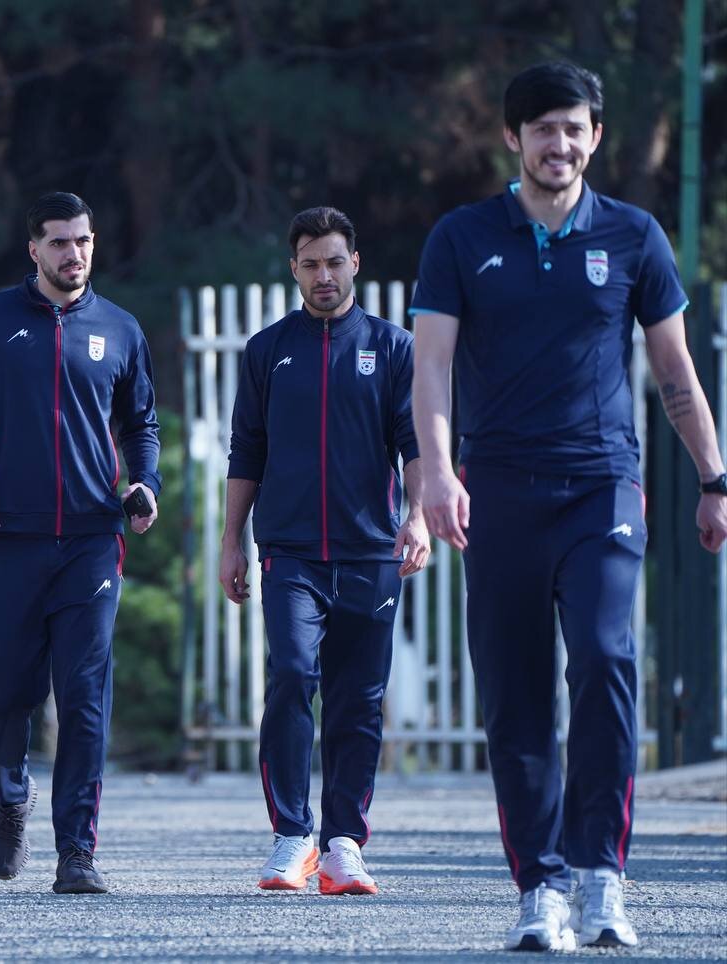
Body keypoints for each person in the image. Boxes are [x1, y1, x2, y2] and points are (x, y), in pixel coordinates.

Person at [411, 62, 727, 951]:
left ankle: (600, 876)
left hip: (601, 486)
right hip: (498, 490)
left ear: (596, 137)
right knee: (515, 695)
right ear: (513, 137)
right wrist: (435, 473)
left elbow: (674, 369)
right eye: (543, 128)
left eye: (574, 128)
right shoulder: (463, 237)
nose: (560, 144)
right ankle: (540, 888)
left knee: (603, 657)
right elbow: (430, 365)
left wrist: (713, 478)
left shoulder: (632, 235)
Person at [0, 191, 161, 895]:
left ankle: (77, 852)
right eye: (58, 241)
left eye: (82, 240)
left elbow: (140, 424)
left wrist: (144, 482)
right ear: (33, 249)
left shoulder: (120, 329)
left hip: (92, 541)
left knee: (84, 698)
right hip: (12, 538)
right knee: (4, 689)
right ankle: (10, 797)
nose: (73, 253)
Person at [220, 206, 428, 896]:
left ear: (355, 263)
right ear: (294, 270)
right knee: (290, 675)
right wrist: (230, 541)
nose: (324, 275)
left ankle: (343, 844)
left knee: (358, 699)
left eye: (335, 261)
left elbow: (415, 444)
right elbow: (246, 450)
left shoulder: (393, 348)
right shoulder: (267, 350)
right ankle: (292, 835)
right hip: (290, 551)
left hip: (371, 551)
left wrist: (418, 518)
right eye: (310, 264)